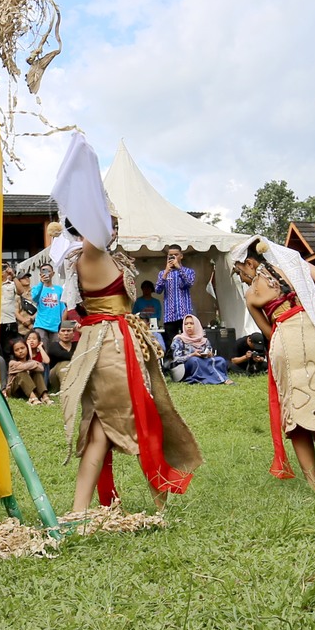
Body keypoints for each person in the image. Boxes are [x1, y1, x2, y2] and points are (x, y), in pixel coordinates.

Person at [51, 197, 200, 516]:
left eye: (116, 224)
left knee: (103, 428)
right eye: (107, 223)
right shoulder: (89, 256)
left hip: (113, 341)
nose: (113, 229)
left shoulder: (105, 257)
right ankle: (148, 501)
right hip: (109, 346)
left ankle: (82, 512)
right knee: (130, 421)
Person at [235, 238, 315, 488]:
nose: (243, 279)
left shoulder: (251, 295)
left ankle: (312, 482)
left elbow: (269, 333)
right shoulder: (293, 266)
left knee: (296, 410)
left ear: (249, 263)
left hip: (286, 341)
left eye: (240, 272)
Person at [152, 247, 195, 352]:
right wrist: (166, 272)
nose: (173, 257)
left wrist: (179, 268)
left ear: (181, 256)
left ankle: (188, 364)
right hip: (170, 315)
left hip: (184, 314)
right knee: (172, 344)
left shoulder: (189, 271)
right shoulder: (163, 273)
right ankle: (174, 365)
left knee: (187, 342)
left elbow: (189, 283)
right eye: (170, 255)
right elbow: (157, 290)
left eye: (175, 254)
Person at [170, 314, 229, 384]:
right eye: (186, 324)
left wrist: (209, 354)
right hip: (183, 367)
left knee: (221, 360)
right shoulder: (179, 339)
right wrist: (192, 355)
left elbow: (209, 353)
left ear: (197, 325)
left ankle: (218, 378)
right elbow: (176, 358)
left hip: (203, 361)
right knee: (195, 360)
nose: (188, 326)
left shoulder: (204, 340)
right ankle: (220, 379)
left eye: (191, 323)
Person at [6, 338, 51, 403]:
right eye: (16, 350)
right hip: (15, 390)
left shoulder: (31, 361)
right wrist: (34, 364)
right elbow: (23, 367)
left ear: (27, 348)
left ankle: (45, 397)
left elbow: (41, 368)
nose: (20, 351)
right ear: (14, 353)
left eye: (22, 348)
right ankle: (33, 399)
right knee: (21, 373)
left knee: (37, 373)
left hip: (28, 389)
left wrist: (29, 365)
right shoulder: (12, 363)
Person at [30, 264, 66, 345]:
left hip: (56, 325)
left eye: (48, 271)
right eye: (43, 271)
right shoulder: (36, 288)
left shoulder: (59, 289)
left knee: (55, 351)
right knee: (42, 349)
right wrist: (41, 283)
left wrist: (63, 325)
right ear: (40, 274)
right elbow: (34, 298)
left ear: (53, 273)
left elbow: (63, 309)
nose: (46, 273)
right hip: (41, 325)